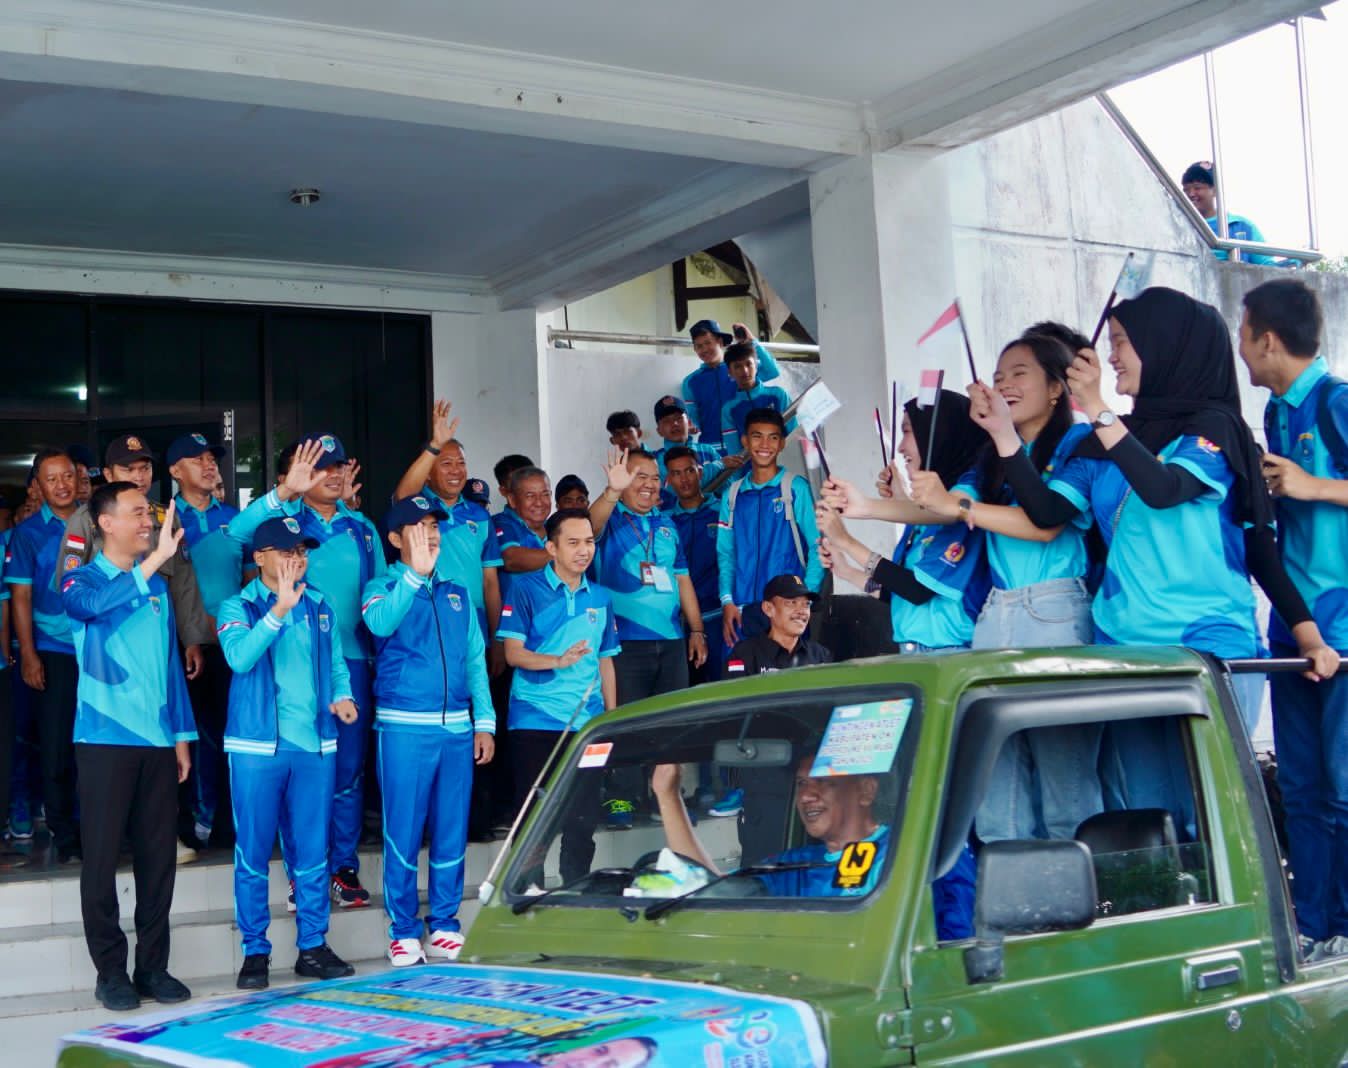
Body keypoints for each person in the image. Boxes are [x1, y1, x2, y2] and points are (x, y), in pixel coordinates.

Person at [1001, 287, 1337, 820]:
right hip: (1123, 647)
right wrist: (1003, 435)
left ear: (1164, 346)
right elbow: (1045, 512)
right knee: (1151, 816)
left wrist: (1308, 635)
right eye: (1112, 341)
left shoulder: (1213, 430)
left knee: (1217, 815)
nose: (1112, 356)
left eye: (1122, 342)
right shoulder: (1100, 443)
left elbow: (1169, 492)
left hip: (1205, 645)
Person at [900, 336, 1103, 841]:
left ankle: (1078, 889)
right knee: (997, 790)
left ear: (1056, 388)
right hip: (996, 615)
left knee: (1065, 786)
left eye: (1018, 373)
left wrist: (964, 500)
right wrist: (862, 508)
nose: (1004, 384)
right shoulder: (990, 456)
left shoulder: (1077, 442)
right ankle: (1011, 888)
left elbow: (1046, 521)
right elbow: (943, 509)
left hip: (1055, 610)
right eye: (998, 376)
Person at [227, 434, 386, 907]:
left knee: (347, 767)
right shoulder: (286, 522)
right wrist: (285, 493)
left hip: (348, 660)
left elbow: (378, 591)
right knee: (294, 762)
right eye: (321, 468)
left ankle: (342, 867)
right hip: (290, 656)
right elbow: (236, 534)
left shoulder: (361, 527)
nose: (333, 475)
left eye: (338, 467)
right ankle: (301, 871)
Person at [1237, 278, 1348, 942]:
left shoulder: (1336, 401)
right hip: (1294, 626)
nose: (1240, 346)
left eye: (1243, 332)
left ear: (1268, 341)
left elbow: (1317, 489)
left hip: (1343, 629)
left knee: (1343, 788)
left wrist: (1316, 486)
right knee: (1302, 789)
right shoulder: (1277, 412)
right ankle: (1313, 927)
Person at [62, 485, 197, 1011]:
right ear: (105, 523)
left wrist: (181, 737)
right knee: (100, 860)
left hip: (157, 742)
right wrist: (156, 560)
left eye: (150, 512)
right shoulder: (79, 580)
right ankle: (111, 972)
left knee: (158, 860)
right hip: (103, 740)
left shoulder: (158, 587)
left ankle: (152, 967)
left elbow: (169, 668)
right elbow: (94, 608)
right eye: (138, 512)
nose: (148, 521)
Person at [217, 516, 358, 990]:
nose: (297, 560)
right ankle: (255, 951)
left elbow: (337, 666)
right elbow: (239, 657)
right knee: (253, 852)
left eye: (302, 552)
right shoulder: (238, 605)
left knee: (313, 852)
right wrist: (278, 609)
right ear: (260, 557)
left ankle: (312, 946)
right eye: (286, 552)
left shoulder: (320, 603)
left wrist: (344, 696)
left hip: (314, 745)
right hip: (256, 747)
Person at [362, 496, 496, 965]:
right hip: (404, 729)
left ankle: (444, 924)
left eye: (434, 526)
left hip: (457, 729)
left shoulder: (457, 592)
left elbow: (475, 660)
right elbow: (380, 623)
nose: (431, 534)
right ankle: (403, 930)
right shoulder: (381, 587)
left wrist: (484, 722)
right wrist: (414, 577)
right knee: (403, 830)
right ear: (395, 539)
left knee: (451, 830)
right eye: (418, 527)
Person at [649, 753, 975, 940]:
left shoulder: (919, 850)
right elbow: (712, 891)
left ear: (866, 790)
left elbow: (955, 953)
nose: (806, 795)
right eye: (801, 783)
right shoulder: (796, 865)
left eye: (821, 780)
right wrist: (668, 795)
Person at [499, 509, 619, 885]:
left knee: (584, 817)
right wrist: (558, 660)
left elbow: (606, 661)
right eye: (573, 542)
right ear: (551, 548)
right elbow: (513, 654)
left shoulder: (601, 596)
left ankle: (575, 888)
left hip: (588, 725)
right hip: (535, 718)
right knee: (534, 815)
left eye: (589, 542)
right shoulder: (524, 589)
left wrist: (612, 719)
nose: (584, 550)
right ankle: (528, 890)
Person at [819, 391, 989, 654]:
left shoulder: (964, 506)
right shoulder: (925, 516)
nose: (900, 447)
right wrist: (846, 571)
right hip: (916, 652)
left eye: (908, 431)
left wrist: (847, 541)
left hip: (950, 655)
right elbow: (897, 592)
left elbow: (918, 590)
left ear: (937, 435)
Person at [589, 449, 706, 826]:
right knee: (625, 722)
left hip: (671, 641)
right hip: (624, 642)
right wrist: (611, 491)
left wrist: (696, 629)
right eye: (641, 476)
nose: (650, 484)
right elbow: (589, 526)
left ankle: (664, 796)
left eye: (655, 478)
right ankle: (621, 797)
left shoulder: (667, 524)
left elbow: (682, 579)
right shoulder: (610, 519)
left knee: (668, 724)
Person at [6, 448, 83, 862]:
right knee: (55, 746)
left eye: (67, 476)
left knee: (96, 745)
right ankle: (64, 833)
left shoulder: (99, 521)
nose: (61, 485)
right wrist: (30, 655)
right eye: (51, 479)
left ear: (78, 478)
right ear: (38, 485)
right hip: (53, 651)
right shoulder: (28, 533)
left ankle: (97, 828)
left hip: (98, 652)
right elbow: (20, 597)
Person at [167, 432, 243, 849]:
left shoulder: (235, 519)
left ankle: (228, 825)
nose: (209, 464)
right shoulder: (162, 520)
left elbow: (252, 578)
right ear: (175, 471)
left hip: (234, 646)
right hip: (185, 645)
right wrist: (192, 630)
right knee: (191, 737)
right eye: (197, 459)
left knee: (232, 735)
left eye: (211, 458)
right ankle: (191, 823)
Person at [722, 574, 833, 851]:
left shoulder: (820, 656)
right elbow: (735, 716)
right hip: (766, 783)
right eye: (791, 603)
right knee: (764, 863)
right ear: (768, 608)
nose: (801, 611)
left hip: (815, 784)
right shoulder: (745, 654)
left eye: (806, 604)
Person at [391, 400, 504, 649]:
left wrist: (497, 639)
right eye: (446, 464)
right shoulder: (418, 508)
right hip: (432, 617)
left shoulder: (480, 515)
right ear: (428, 474)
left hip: (476, 623)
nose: (456, 471)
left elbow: (490, 582)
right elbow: (402, 496)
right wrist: (434, 446)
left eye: (461, 463)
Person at [717, 409, 822, 649]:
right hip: (742, 611)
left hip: (786, 611)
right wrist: (727, 601)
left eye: (773, 437)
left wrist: (804, 601)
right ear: (745, 441)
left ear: (782, 443)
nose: (765, 445)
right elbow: (726, 554)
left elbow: (818, 547)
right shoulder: (732, 495)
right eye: (757, 436)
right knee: (742, 671)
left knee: (788, 672)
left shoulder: (795, 489)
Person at [663, 446, 725, 682]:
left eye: (689, 471)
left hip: (718, 617)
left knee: (722, 687)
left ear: (700, 472)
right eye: (676, 473)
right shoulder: (664, 521)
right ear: (668, 480)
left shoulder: (722, 512)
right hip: (677, 623)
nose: (684, 479)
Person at [681, 319, 782, 451]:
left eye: (708, 343)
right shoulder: (690, 382)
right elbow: (694, 418)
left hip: (743, 446)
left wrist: (752, 342)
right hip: (711, 450)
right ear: (694, 349)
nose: (704, 349)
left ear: (720, 342)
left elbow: (772, 371)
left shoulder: (740, 368)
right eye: (699, 346)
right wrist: (691, 426)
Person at [1180, 161, 1280, 266]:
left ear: (1215, 190)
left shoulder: (1242, 226)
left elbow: (1267, 265)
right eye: (1186, 189)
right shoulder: (1179, 226)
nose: (1191, 194)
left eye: (1197, 188)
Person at [719, 343, 794, 455]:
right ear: (730, 372)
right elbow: (734, 451)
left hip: (784, 460)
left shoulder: (778, 395)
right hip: (752, 464)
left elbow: (794, 432)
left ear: (756, 366)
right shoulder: (729, 410)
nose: (745, 371)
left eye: (748, 364)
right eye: (738, 366)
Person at [495, 466, 553, 605]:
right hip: (516, 615)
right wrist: (563, 555)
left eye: (545, 494)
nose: (539, 502)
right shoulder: (500, 522)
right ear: (512, 500)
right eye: (530, 496)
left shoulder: (555, 527)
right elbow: (511, 559)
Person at [649, 395, 728, 492]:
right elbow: (678, 489)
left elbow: (727, 484)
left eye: (678, 418)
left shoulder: (708, 451)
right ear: (659, 431)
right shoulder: (656, 461)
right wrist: (718, 465)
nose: (674, 424)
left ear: (689, 423)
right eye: (667, 421)